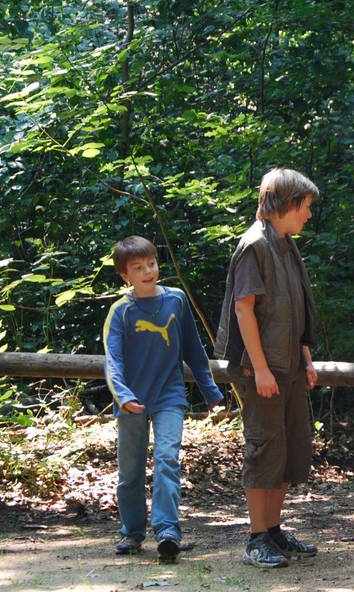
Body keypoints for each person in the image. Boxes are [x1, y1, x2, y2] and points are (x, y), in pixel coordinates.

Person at [216, 168, 322, 569]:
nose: (308, 215)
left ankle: (274, 531)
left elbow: (294, 311)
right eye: (306, 207)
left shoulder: (286, 244)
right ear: (287, 203)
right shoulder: (253, 245)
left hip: (289, 367)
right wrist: (259, 369)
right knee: (263, 449)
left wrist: (306, 361)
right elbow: (244, 309)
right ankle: (256, 537)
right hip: (260, 369)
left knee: (288, 451)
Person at [104, 236, 224, 563]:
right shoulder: (121, 312)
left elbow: (194, 350)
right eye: (138, 268)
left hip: (170, 395)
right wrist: (125, 396)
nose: (148, 272)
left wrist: (210, 391)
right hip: (130, 400)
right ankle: (131, 530)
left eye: (151, 264)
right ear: (124, 274)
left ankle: (168, 529)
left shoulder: (176, 301)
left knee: (168, 459)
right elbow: (112, 362)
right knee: (130, 471)